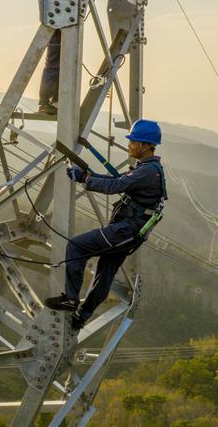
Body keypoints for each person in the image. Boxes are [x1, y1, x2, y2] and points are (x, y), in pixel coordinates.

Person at [44, 119, 167, 329]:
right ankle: (81, 317)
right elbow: (117, 181)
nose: (129, 145)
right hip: (131, 234)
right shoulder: (149, 168)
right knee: (105, 274)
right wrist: (86, 177)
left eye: (133, 141)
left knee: (77, 246)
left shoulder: (146, 171)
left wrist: (85, 179)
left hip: (124, 231)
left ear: (146, 145)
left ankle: (71, 299)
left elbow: (115, 186)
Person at [38, 29, 62, 115]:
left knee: (56, 67)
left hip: (60, 30)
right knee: (53, 67)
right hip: (60, 30)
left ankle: (50, 102)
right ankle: (45, 103)